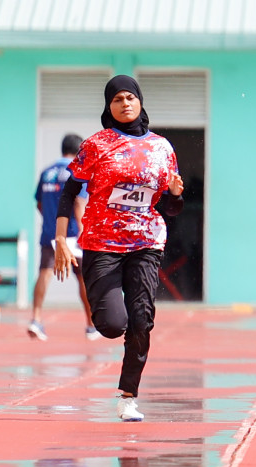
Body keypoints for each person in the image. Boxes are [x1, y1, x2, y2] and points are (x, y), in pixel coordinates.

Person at [54, 76, 183, 422]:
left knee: (142, 320)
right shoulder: (97, 145)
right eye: (117, 99)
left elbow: (170, 209)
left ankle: (128, 397)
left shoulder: (162, 148)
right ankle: (106, 313)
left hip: (146, 241)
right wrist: (61, 241)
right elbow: (69, 193)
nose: (125, 104)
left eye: (130, 97)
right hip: (101, 243)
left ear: (140, 102)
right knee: (113, 324)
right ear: (108, 106)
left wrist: (174, 194)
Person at [30, 134, 96, 342]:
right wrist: (82, 231)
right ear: (79, 151)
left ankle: (36, 319)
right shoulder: (77, 171)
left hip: (51, 232)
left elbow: (39, 204)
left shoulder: (47, 172)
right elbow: (79, 203)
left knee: (44, 274)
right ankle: (91, 325)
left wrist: (51, 222)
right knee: (83, 278)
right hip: (74, 234)